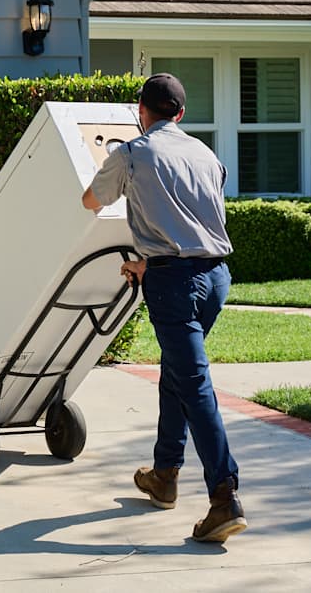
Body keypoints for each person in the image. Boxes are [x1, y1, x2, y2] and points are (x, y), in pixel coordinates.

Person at [80, 73, 247, 543]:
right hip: (215, 278)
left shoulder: (133, 153)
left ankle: (224, 496)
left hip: (175, 284)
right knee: (176, 374)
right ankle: (165, 475)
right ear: (181, 114)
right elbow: (196, 225)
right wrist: (149, 263)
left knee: (194, 385)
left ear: (141, 111)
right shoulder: (207, 155)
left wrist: (152, 260)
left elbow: (91, 200)